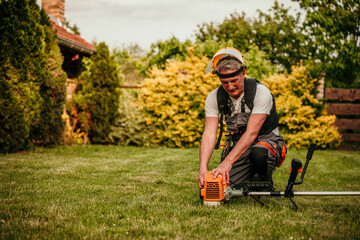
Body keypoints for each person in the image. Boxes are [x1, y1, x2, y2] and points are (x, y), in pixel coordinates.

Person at [197, 47, 286, 188]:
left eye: (234, 81)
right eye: (225, 83)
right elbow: (209, 133)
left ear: (243, 73)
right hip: (240, 146)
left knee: (259, 153)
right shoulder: (214, 97)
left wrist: (227, 163)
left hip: (267, 142)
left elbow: (252, 133)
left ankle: (263, 178)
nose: (230, 87)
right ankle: (247, 176)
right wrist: (203, 168)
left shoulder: (261, 92)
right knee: (220, 185)